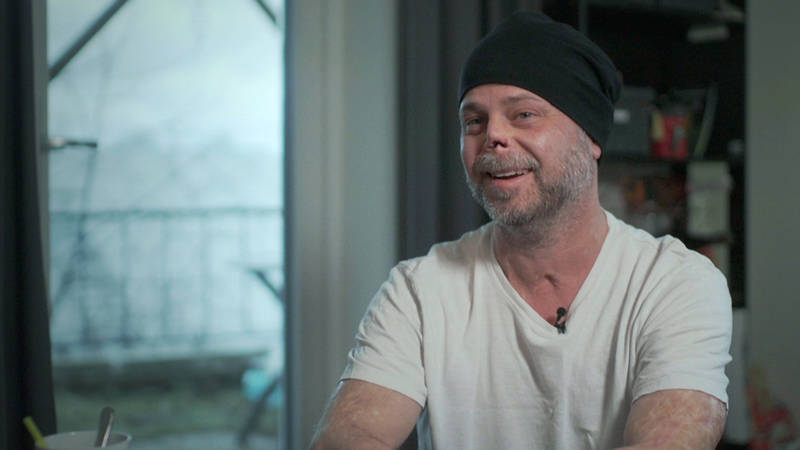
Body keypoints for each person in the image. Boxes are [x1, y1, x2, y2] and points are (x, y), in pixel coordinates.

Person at [312, 11, 732, 450]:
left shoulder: (675, 284)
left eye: (524, 114)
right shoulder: (419, 292)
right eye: (474, 121)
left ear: (590, 137)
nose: (493, 136)